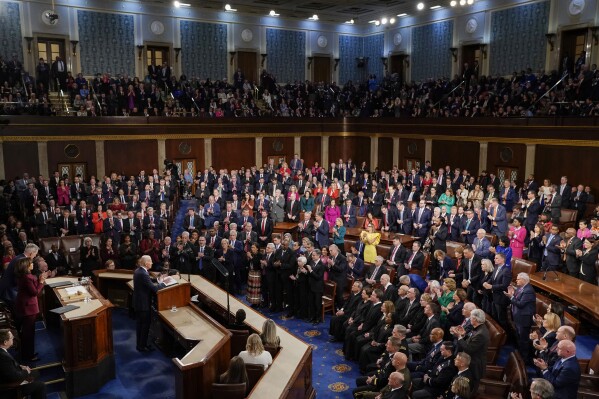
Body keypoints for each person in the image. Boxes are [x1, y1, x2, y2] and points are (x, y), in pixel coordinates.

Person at [15, 257, 46, 362]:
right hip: (28, 308)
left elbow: (33, 287)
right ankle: (28, 356)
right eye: (31, 263)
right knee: (28, 333)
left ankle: (29, 353)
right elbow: (34, 292)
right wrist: (41, 282)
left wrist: (39, 279)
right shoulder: (27, 277)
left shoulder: (25, 276)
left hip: (25, 306)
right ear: (26, 266)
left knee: (28, 332)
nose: (32, 264)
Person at [0, 329, 47, 399]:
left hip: (9, 379)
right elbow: (14, 377)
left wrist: (20, 366)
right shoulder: (2, 356)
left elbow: (7, 367)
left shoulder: (2, 351)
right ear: (5, 342)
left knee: (35, 373)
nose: (13, 339)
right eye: (12, 338)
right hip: (10, 388)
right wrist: (26, 371)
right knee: (40, 385)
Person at [133, 254, 166, 352]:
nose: (152, 263)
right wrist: (164, 283)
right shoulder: (143, 273)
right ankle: (142, 347)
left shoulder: (139, 271)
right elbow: (154, 288)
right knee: (145, 326)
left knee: (140, 325)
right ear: (146, 263)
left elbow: (147, 282)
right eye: (150, 261)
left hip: (138, 303)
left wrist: (157, 280)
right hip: (143, 305)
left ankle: (140, 345)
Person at [507, 272, 536, 361]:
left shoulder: (528, 291)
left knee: (524, 340)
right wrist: (513, 293)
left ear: (523, 280)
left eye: (518, 279)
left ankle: (524, 359)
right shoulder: (522, 288)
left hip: (524, 319)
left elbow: (520, 304)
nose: (516, 280)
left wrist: (511, 297)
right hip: (518, 317)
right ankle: (520, 355)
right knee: (519, 337)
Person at [455, 309, 489, 383]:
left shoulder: (481, 333)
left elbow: (469, 349)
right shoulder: (478, 328)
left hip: (474, 365)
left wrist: (459, 337)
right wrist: (463, 334)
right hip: (471, 361)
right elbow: (471, 340)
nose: (470, 319)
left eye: (471, 317)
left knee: (470, 387)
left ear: (475, 319)